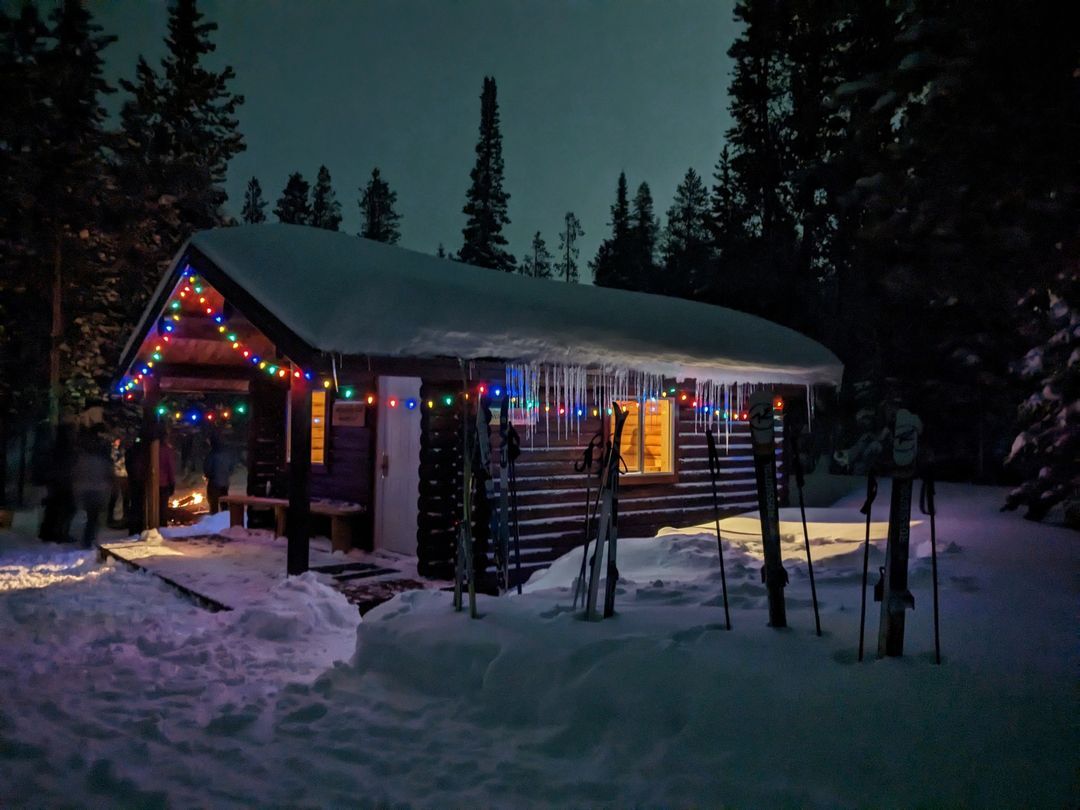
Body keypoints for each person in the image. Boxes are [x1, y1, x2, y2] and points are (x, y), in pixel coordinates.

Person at [74, 429, 113, 549]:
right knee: (94, 517)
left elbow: (77, 474)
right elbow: (108, 475)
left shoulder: (83, 460)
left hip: (86, 490)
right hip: (97, 490)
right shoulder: (102, 462)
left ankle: (88, 539)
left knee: (91, 516)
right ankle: (89, 539)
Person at [38, 424, 76, 543]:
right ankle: (59, 533)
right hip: (63, 482)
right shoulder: (67, 450)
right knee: (66, 508)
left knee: (53, 507)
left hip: (55, 482)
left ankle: (48, 532)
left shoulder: (53, 448)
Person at [203, 434, 233, 514]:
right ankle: (225, 519)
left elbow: (207, 469)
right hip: (225, 483)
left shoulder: (212, 455)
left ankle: (215, 521)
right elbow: (231, 468)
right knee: (224, 504)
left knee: (213, 504)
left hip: (214, 483)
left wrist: (208, 475)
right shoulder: (226, 454)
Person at [107, 436, 129, 528]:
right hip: (118, 475)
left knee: (124, 497)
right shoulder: (114, 451)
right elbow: (114, 459)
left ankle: (124, 517)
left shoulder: (122, 451)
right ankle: (111, 517)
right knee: (115, 496)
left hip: (122, 475)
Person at [159, 427, 176, 527]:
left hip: (152, 482)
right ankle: (162, 525)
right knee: (163, 506)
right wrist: (172, 483)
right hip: (164, 483)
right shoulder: (166, 450)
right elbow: (170, 467)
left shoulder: (151, 449)